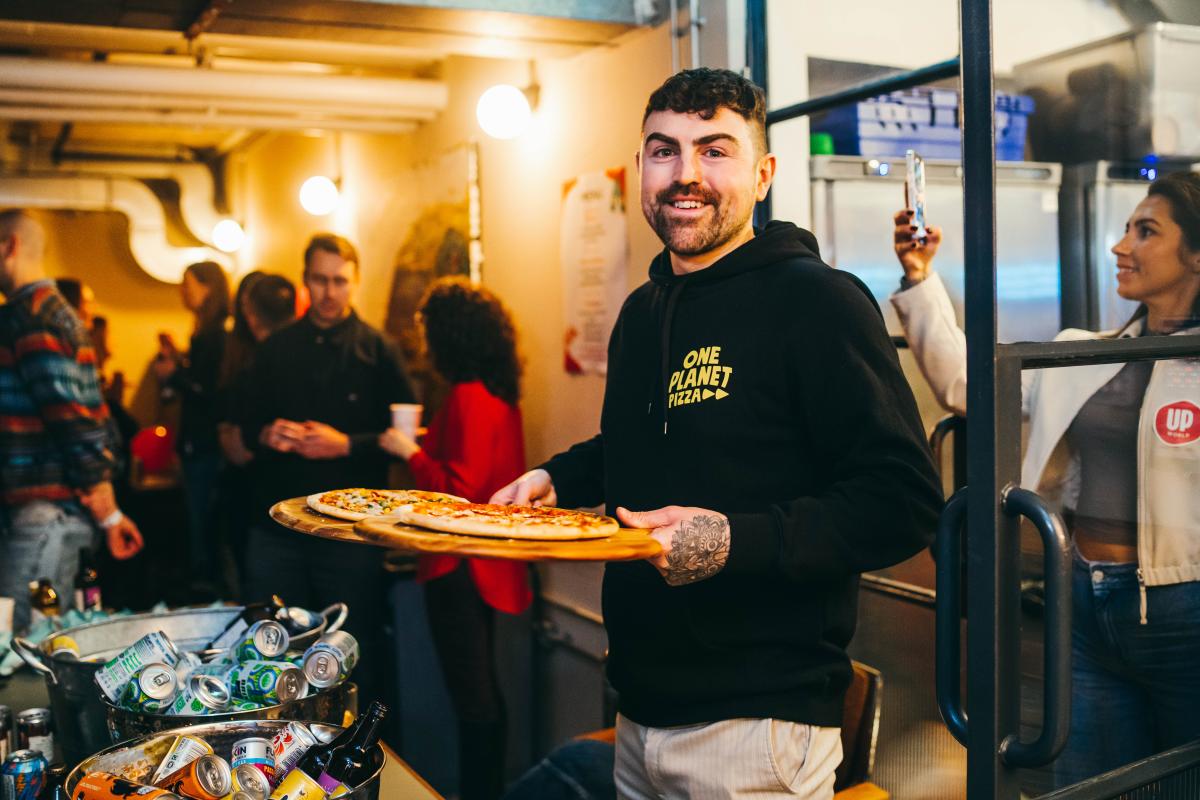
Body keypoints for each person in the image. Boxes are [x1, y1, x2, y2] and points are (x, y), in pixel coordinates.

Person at [490, 69, 943, 799]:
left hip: (758, 726)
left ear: (763, 175)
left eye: (715, 150)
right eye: (664, 151)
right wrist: (559, 478)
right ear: (641, 167)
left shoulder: (817, 301)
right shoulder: (643, 313)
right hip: (640, 710)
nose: (686, 175)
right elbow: (649, 444)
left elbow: (904, 501)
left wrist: (731, 541)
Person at [889, 170, 1200, 788]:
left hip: (1184, 609)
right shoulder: (1083, 351)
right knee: (1089, 782)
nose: (1120, 246)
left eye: (1147, 231)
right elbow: (967, 385)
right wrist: (919, 278)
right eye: (1128, 227)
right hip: (1083, 601)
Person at [239, 233, 416, 716]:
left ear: (355, 282)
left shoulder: (379, 350)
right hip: (276, 525)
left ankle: (349, 752)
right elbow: (244, 424)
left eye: (339, 280)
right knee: (270, 648)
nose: (329, 291)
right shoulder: (276, 348)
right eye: (320, 279)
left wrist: (347, 444)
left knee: (350, 652)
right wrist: (266, 433)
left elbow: (409, 432)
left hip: (349, 535)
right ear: (305, 281)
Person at [378, 277, 531, 800]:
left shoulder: (466, 396)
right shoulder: (498, 393)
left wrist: (407, 450)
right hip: (491, 565)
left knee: (473, 703)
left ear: (449, 335)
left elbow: (460, 493)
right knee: (484, 697)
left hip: (459, 566)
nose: (424, 344)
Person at [0, 210, 143, 630]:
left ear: (10, 247)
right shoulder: (36, 313)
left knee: (25, 643)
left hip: (46, 513)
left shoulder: (35, 315)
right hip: (41, 510)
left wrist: (109, 512)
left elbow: (73, 418)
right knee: (26, 641)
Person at [153, 260, 230, 595]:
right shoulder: (205, 332)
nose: (183, 291)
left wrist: (175, 373)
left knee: (203, 519)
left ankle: (206, 587)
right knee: (198, 517)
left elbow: (208, 391)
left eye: (188, 283)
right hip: (199, 442)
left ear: (208, 287)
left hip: (206, 444)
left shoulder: (216, 336)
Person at [217, 272, 294, 592]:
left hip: (257, 495)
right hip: (288, 500)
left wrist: (239, 436)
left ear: (249, 314)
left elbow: (237, 448)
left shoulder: (248, 365)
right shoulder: (300, 357)